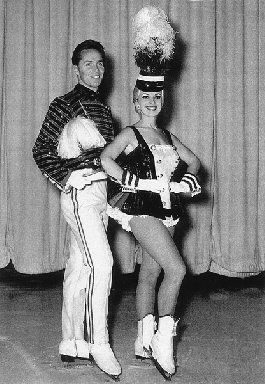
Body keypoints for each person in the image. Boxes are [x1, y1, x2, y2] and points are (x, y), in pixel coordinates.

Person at [100, 75, 201, 380]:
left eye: (157, 97)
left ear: (163, 100)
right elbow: (106, 157)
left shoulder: (168, 136)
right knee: (177, 269)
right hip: (139, 206)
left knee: (151, 272)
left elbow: (194, 161)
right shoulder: (130, 133)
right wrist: (123, 177)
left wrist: (187, 178)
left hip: (167, 207)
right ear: (135, 101)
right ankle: (163, 339)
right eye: (145, 97)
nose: (152, 102)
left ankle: (143, 340)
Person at [32, 40, 121, 380]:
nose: (97, 70)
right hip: (80, 192)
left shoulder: (106, 110)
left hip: (101, 192)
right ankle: (100, 343)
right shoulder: (64, 104)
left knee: (80, 265)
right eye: (89, 64)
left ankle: (72, 340)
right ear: (76, 68)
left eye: (100, 64)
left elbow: (111, 161)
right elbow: (41, 150)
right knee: (102, 262)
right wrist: (69, 176)